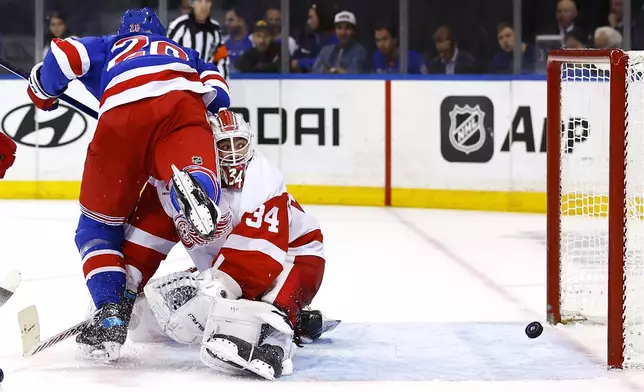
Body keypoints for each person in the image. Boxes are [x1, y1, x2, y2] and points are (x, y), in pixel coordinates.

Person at [26, 7, 231, 361]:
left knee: (97, 229)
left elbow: (64, 55)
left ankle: (109, 312)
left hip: (120, 115)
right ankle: (194, 187)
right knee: (191, 168)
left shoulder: (109, 45)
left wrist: (42, 90)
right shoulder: (183, 52)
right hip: (181, 108)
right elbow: (218, 92)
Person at [119, 110, 329, 379]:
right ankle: (298, 320)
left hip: (293, 256)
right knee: (152, 310)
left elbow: (259, 261)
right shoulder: (180, 185)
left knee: (260, 310)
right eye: (223, 145)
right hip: (231, 263)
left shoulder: (263, 180)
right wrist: (120, 294)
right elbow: (144, 243)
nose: (232, 154)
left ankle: (276, 344)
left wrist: (214, 290)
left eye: (239, 144)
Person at [168, 0, 230, 79]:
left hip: (205, 84)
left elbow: (221, 59)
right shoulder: (179, 26)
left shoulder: (215, 30)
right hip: (181, 82)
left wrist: (220, 82)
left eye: (207, 1)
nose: (203, 6)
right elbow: (167, 54)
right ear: (192, 3)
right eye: (200, 1)